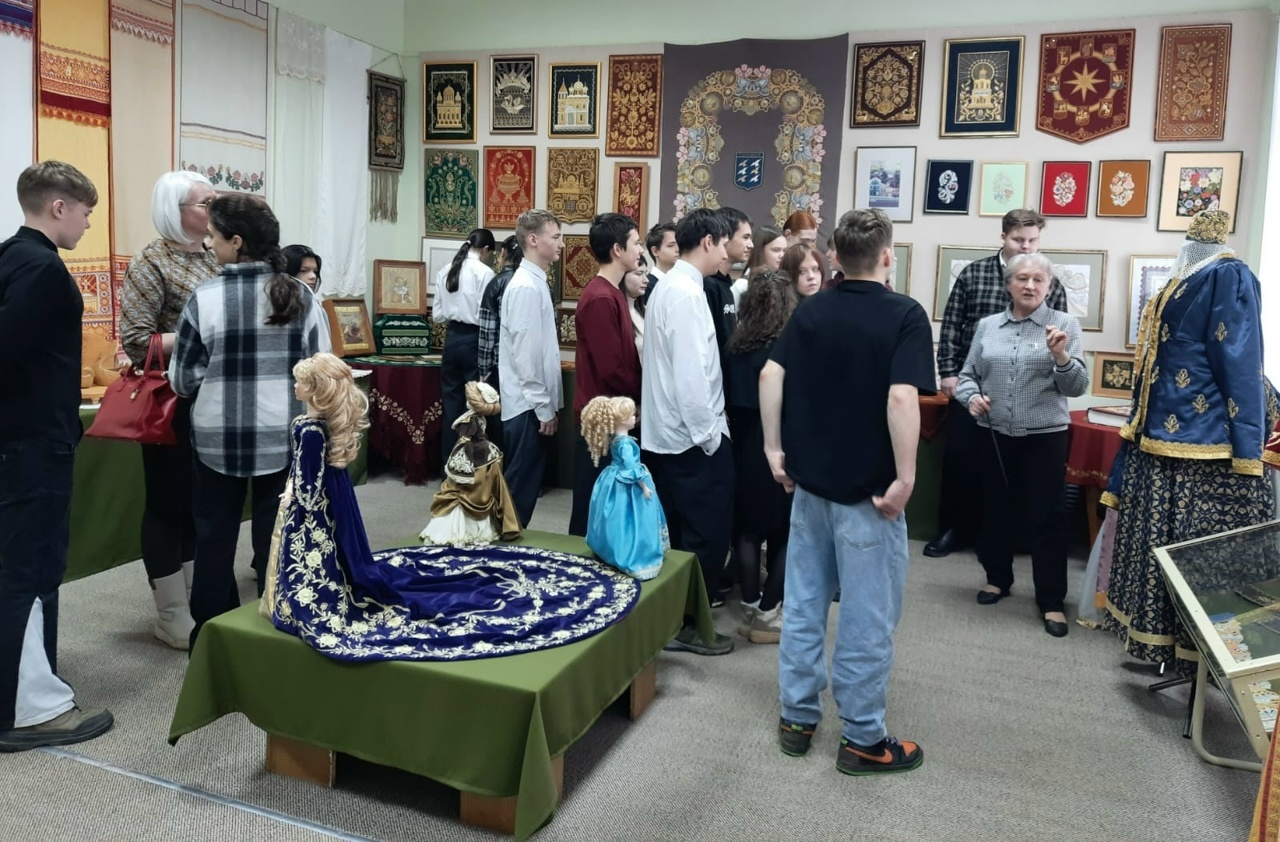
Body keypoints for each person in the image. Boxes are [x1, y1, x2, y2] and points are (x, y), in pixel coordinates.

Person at [260, 353, 638, 663]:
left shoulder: (310, 431)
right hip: (330, 497)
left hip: (315, 503)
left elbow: (309, 484)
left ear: (316, 389)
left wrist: (296, 503)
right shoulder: (313, 427)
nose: (295, 387)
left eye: (301, 382)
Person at [761, 208, 934, 775]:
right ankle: (862, 738)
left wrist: (772, 449)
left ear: (834, 256)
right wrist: (906, 478)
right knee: (866, 617)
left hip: (810, 490)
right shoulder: (905, 314)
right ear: (887, 256)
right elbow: (901, 398)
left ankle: (796, 718)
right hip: (869, 498)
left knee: (804, 606)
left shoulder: (811, 309)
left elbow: (770, 374)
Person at [1103, 209, 1278, 672]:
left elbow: (1240, 361)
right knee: (1160, 548)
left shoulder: (1228, 276)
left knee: (1196, 553)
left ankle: (1198, 659)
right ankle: (1159, 646)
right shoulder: (1184, 278)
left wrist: (1247, 450)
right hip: (1161, 439)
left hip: (1205, 447)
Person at [170, 193, 330, 650]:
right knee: (277, 540)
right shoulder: (301, 295)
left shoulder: (204, 298)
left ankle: (212, 638)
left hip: (216, 438)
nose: (209, 244)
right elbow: (322, 369)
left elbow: (182, 379)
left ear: (236, 241)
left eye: (214, 236)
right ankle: (273, 635)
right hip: (284, 436)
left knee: (213, 539)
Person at [0, 161, 114, 751]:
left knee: (15, 564)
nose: (89, 224)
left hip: (16, 438)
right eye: (86, 212)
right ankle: (29, 710)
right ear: (58, 207)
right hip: (33, 442)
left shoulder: (8, 256)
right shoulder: (43, 268)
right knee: (32, 568)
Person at [954, 252, 1088, 637]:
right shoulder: (987, 326)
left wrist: (1060, 356)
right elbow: (968, 376)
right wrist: (971, 398)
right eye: (1022, 278)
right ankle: (997, 578)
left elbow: (1076, 387)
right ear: (1008, 284)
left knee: (1047, 517)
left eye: (1038, 280)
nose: (1030, 286)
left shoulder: (1064, 325)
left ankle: (1051, 600)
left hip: (1044, 438)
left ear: (1049, 286)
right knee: (995, 509)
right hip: (994, 433)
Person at [117, 170, 220, 650]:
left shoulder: (215, 256)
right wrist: (201, 333)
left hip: (213, 398)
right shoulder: (150, 262)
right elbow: (138, 342)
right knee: (166, 503)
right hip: (170, 402)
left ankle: (194, 599)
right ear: (175, 211)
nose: (213, 209)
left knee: (199, 502)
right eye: (204, 202)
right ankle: (171, 612)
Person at [928, 208, 1068, 559]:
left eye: (1033, 240)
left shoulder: (1050, 282)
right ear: (1003, 237)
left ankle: (1002, 538)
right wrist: (948, 373)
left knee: (1011, 470)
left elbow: (1062, 332)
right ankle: (952, 530)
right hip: (972, 386)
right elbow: (951, 327)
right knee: (961, 462)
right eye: (1019, 240)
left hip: (1026, 394)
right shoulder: (973, 274)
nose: (1026, 247)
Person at [641, 207, 736, 656]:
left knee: (683, 534)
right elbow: (690, 375)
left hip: (673, 435)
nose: (728, 254)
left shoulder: (674, 286)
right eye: (725, 244)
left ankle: (676, 620)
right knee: (705, 535)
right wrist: (709, 436)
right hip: (691, 439)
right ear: (709, 242)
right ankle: (691, 625)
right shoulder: (685, 294)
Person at [724, 270, 796, 644]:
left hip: (742, 446)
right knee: (786, 533)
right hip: (780, 445)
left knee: (747, 532)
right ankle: (769, 613)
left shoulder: (734, 347)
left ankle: (750, 606)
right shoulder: (789, 351)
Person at [569, 213, 644, 537]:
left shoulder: (612, 292)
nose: (640, 250)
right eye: (636, 243)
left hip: (612, 413)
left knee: (604, 503)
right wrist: (641, 395)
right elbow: (612, 367)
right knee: (592, 504)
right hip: (600, 418)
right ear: (617, 249)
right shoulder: (601, 297)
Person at [498, 209, 563, 527]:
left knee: (523, 486)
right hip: (526, 405)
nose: (561, 244)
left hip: (530, 403)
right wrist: (543, 407)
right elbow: (527, 356)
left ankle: (507, 539)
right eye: (556, 237)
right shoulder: (525, 286)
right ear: (534, 240)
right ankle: (500, 545)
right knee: (518, 490)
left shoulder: (535, 281)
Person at [419, 381, 520, 545]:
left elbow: (469, 440)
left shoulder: (473, 419)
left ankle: (478, 527)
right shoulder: (469, 420)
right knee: (470, 490)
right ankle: (466, 528)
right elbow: (465, 442)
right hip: (477, 459)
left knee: (483, 488)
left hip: (481, 458)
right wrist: (464, 463)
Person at [581, 396, 668, 581]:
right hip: (626, 482)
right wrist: (644, 486)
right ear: (621, 420)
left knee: (614, 517)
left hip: (612, 478)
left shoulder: (616, 439)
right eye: (631, 415)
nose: (634, 418)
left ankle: (607, 547)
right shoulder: (625, 443)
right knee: (631, 518)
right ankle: (634, 554)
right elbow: (631, 467)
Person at [434, 228, 496, 462]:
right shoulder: (485, 272)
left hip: (451, 338)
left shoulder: (445, 270)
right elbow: (486, 314)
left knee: (451, 402)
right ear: (486, 250)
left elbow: (438, 315)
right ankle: (469, 463)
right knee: (474, 403)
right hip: (474, 339)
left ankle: (447, 463)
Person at [476, 235, 522, 452]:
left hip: (499, 366)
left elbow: (487, 333)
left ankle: (499, 467)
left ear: (503, 253)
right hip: (528, 367)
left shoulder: (496, 283)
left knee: (498, 423)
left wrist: (483, 370)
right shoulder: (537, 283)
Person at [704, 206, 751, 357]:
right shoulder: (708, 285)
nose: (751, 245)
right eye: (745, 237)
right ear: (726, 238)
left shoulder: (725, 282)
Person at [732, 224, 786, 309]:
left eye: (785, 251)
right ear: (760, 251)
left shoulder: (786, 283)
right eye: (776, 250)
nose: (782, 255)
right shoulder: (742, 286)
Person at [641, 222, 677, 305]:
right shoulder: (646, 285)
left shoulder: (680, 282)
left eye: (679, 244)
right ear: (655, 251)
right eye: (671, 245)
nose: (677, 249)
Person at [624, 255, 648, 356]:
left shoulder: (647, 310)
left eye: (646, 274)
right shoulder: (616, 312)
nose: (646, 280)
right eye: (639, 274)